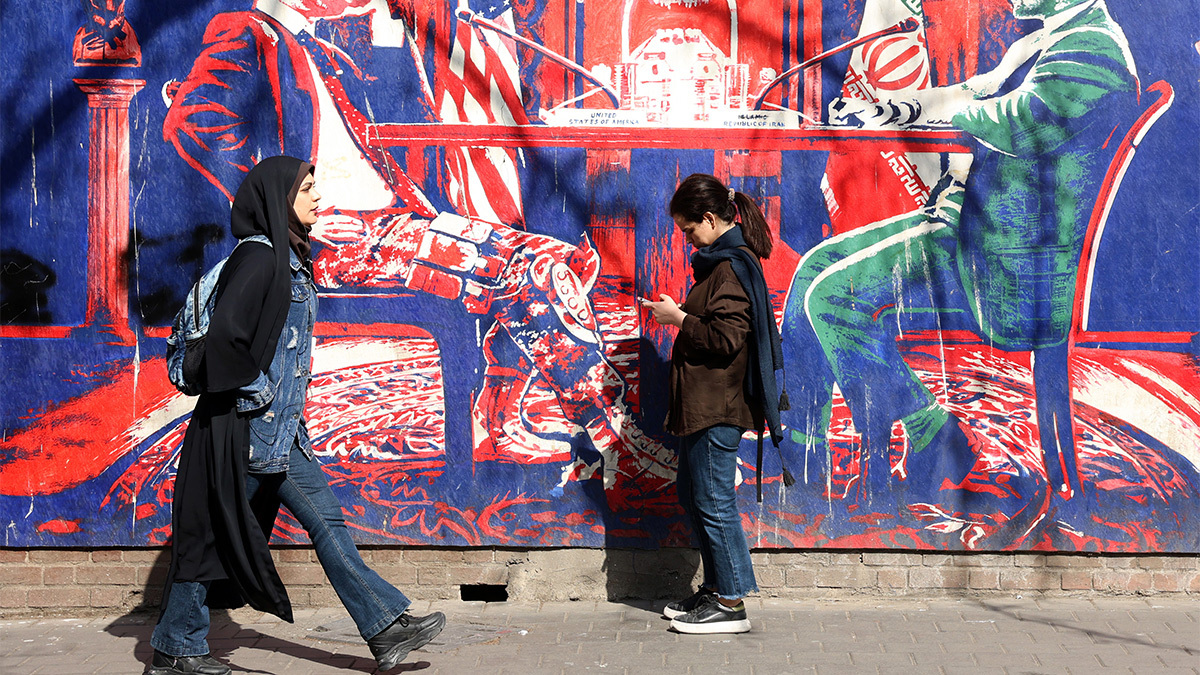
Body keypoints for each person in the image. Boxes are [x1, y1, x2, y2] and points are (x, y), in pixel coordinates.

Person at [163, 0, 675, 511]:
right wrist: (284, 218)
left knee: (557, 259)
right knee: (533, 271)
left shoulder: (323, 48)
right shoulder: (249, 33)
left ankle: (503, 413)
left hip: (394, 224)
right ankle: (613, 439)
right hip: (342, 243)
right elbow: (190, 122)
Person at [781, 0, 1138, 504]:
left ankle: (929, 431)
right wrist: (888, 111)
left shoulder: (1093, 47)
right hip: (972, 227)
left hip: (1006, 263)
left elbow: (1018, 121)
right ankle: (802, 447)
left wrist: (952, 114)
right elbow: (975, 93)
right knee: (811, 268)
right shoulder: (1046, 40)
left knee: (829, 296)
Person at [147, 157, 445, 675]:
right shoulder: (260, 260)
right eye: (306, 189)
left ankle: (384, 627)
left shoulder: (288, 259)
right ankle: (176, 648)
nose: (317, 197)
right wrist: (261, 393)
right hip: (243, 431)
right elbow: (226, 342)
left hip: (281, 434)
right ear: (279, 199)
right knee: (209, 536)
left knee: (326, 521)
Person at [642, 174, 784, 635]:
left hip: (718, 407)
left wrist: (678, 318)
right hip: (704, 405)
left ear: (708, 218)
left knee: (714, 500)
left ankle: (731, 602)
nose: (687, 239)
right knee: (695, 495)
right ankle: (717, 587)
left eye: (688, 230)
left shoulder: (730, 267)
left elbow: (726, 338)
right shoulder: (722, 265)